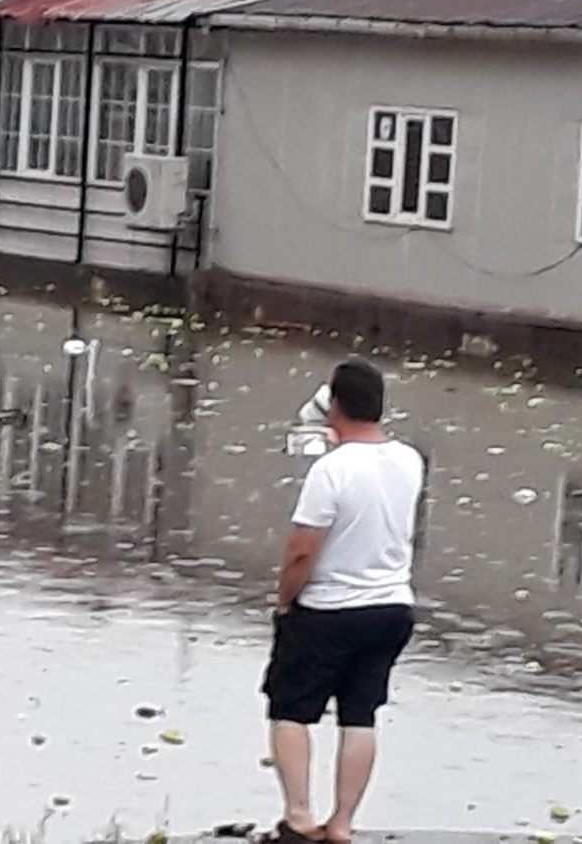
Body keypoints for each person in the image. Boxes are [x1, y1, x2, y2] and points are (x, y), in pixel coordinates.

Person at [262, 359, 421, 844]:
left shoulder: (330, 471)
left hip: (329, 610)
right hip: (392, 608)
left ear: (334, 407)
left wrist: (286, 601)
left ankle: (299, 816)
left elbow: (303, 549)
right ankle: (343, 823)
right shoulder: (410, 460)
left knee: (290, 709)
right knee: (360, 714)